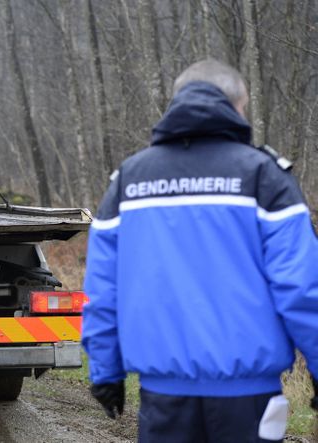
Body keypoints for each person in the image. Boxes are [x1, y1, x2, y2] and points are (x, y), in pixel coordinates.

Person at [81, 59, 318, 442]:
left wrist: (106, 371)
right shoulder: (264, 176)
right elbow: (303, 289)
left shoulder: (129, 180)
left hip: (164, 399)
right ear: (237, 106)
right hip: (249, 398)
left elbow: (103, 290)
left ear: (175, 103)